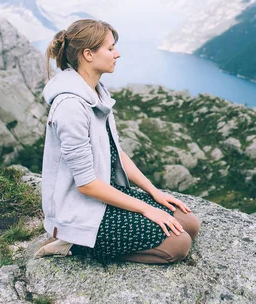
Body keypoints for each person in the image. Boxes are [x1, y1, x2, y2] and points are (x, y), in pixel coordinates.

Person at [34, 19, 200, 264]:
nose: (117, 54)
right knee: (179, 244)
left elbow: (115, 152)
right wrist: (145, 209)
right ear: (88, 54)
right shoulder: (71, 107)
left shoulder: (96, 93)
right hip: (81, 209)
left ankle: (96, 242)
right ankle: (76, 245)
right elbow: (86, 185)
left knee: (190, 224)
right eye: (110, 48)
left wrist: (154, 194)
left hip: (103, 197)